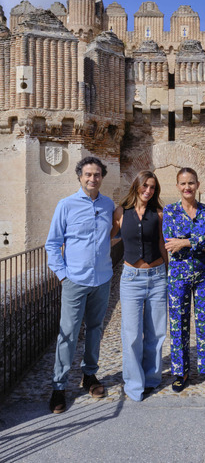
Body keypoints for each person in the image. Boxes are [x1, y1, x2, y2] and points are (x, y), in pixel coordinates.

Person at [45, 156, 115, 414]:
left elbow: (115, 234)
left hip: (102, 279)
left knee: (95, 329)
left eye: (96, 174)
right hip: (74, 280)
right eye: (88, 174)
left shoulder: (109, 205)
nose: (92, 179)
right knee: (68, 333)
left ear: (101, 177)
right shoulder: (66, 205)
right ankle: (59, 386)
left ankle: (89, 376)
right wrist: (63, 275)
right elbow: (52, 244)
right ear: (79, 176)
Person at [163, 167, 205, 395]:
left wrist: (185, 242)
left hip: (204, 275)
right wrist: (196, 241)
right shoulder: (170, 212)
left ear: (198, 185)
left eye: (191, 183)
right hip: (178, 276)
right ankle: (181, 371)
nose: (187, 187)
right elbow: (170, 243)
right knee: (178, 322)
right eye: (183, 183)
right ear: (178, 186)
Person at [112, 171, 167, 402]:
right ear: (136, 186)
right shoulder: (120, 212)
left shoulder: (160, 214)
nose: (148, 191)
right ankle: (134, 385)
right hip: (131, 279)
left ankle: (152, 379)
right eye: (145, 186)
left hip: (157, 276)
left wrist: (170, 273)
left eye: (153, 187)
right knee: (132, 333)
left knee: (156, 333)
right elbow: (108, 237)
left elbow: (163, 244)